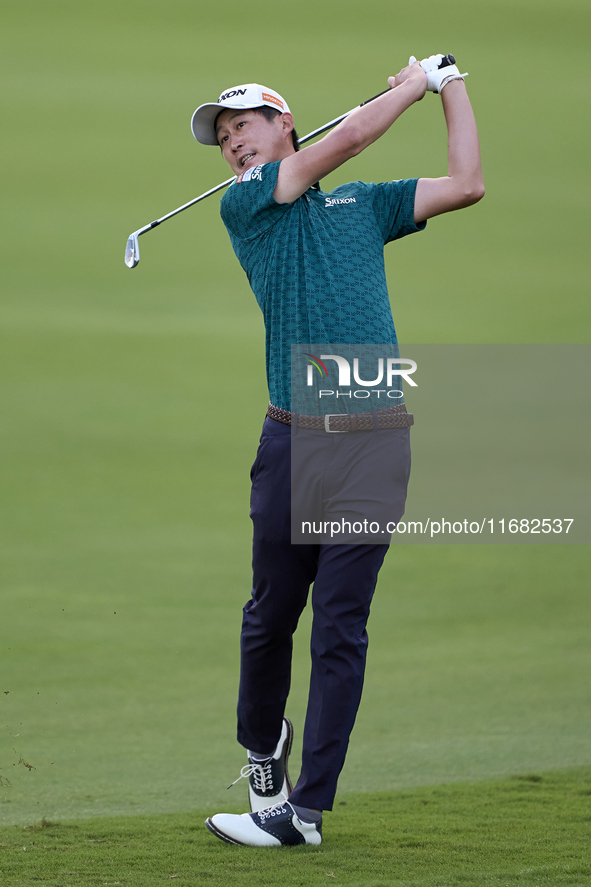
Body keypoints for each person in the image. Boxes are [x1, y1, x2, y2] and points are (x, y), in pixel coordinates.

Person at [190, 55, 484, 846]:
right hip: (292, 441)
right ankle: (263, 748)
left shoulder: (362, 206)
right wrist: (411, 83)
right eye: (222, 137)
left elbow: (465, 184)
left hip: (375, 441)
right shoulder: (245, 203)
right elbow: (351, 137)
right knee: (270, 617)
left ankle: (305, 812)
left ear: (285, 123)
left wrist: (450, 85)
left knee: (340, 629)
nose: (232, 144)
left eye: (242, 126)